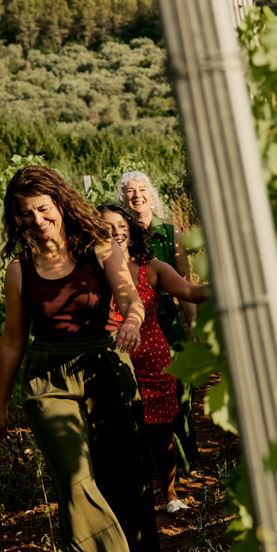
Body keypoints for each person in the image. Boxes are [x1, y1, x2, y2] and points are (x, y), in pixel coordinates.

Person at [0, 166, 162, 552]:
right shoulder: (19, 270)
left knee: (122, 473)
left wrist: (131, 320)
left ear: (61, 205)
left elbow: (129, 295)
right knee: (74, 479)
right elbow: (12, 341)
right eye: (26, 214)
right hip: (48, 378)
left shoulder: (99, 248)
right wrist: (1, 407)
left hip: (104, 363)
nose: (37, 220)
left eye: (43, 209)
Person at [99, 204, 208, 514]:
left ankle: (170, 494)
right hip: (110, 362)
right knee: (120, 433)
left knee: (160, 432)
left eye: (121, 225)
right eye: (107, 227)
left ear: (131, 229)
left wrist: (227, 286)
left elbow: (191, 291)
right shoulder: (92, 272)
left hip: (152, 359)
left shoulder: (153, 267)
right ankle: (132, 497)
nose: (116, 232)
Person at [117, 171, 199, 472]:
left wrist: (193, 324)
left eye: (141, 189)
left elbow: (184, 284)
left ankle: (189, 460)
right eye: (129, 190)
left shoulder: (171, 233)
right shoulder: (118, 236)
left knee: (181, 397)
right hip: (135, 335)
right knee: (146, 405)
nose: (136, 194)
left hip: (167, 327)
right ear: (122, 199)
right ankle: (160, 469)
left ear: (151, 195)